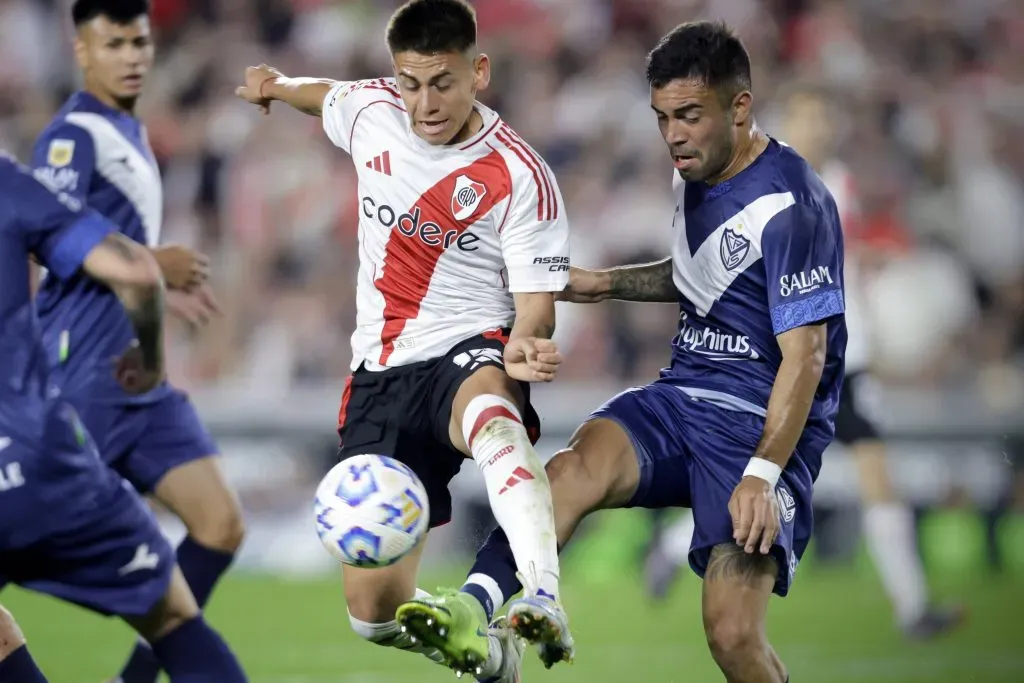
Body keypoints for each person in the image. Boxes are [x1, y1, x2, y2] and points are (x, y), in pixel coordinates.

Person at [407, 22, 848, 682]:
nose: (673, 134)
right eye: (663, 117)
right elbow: (705, 272)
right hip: (681, 396)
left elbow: (805, 356)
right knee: (567, 472)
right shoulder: (696, 174)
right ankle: (476, 611)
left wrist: (762, 473)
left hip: (758, 428)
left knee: (731, 634)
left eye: (689, 116)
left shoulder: (792, 203)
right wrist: (601, 284)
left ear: (740, 106)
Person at [234, 1, 570, 680]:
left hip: (468, 345)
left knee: (494, 421)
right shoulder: (371, 110)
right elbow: (323, 94)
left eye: (442, 82)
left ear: (479, 71)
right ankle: (476, 648)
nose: (425, 102)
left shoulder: (519, 173)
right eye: (411, 82)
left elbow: (536, 302)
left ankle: (542, 594)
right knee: (371, 613)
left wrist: (526, 342)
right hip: (380, 371)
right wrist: (272, 85)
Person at [643, 85, 966, 639]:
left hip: (845, 357)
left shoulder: (836, 179)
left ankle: (912, 608)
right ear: (789, 119)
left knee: (873, 477)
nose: (819, 127)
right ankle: (676, 545)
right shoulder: (763, 177)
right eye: (809, 115)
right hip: (785, 359)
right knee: (756, 479)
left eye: (825, 116)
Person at [30, 3, 243, 681]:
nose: (132, 55)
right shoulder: (72, 136)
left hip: (138, 377)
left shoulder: (129, 130)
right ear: (82, 51)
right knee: (23, 540)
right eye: (114, 42)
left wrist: (152, 282)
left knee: (220, 524)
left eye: (141, 42)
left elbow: (108, 250)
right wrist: (152, 263)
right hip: (80, 372)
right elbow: (50, 233)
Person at [0, 156, 247, 682]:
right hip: (34, 457)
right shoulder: (8, 178)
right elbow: (134, 271)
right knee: (175, 619)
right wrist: (153, 360)